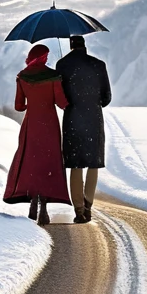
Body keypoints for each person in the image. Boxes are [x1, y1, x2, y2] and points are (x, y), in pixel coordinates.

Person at [3, 43, 71, 225]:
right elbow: (62, 103)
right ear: (44, 58)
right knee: (48, 162)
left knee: (31, 161)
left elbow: (18, 106)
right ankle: (44, 207)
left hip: (31, 124)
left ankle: (32, 199)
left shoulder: (22, 77)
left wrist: (30, 104)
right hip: (49, 124)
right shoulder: (53, 77)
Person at [57, 35, 112, 223]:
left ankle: (78, 209)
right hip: (93, 119)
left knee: (75, 164)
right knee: (93, 163)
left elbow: (60, 98)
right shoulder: (99, 65)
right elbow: (107, 98)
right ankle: (88, 205)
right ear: (85, 46)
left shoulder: (62, 65)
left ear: (71, 46)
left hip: (72, 119)